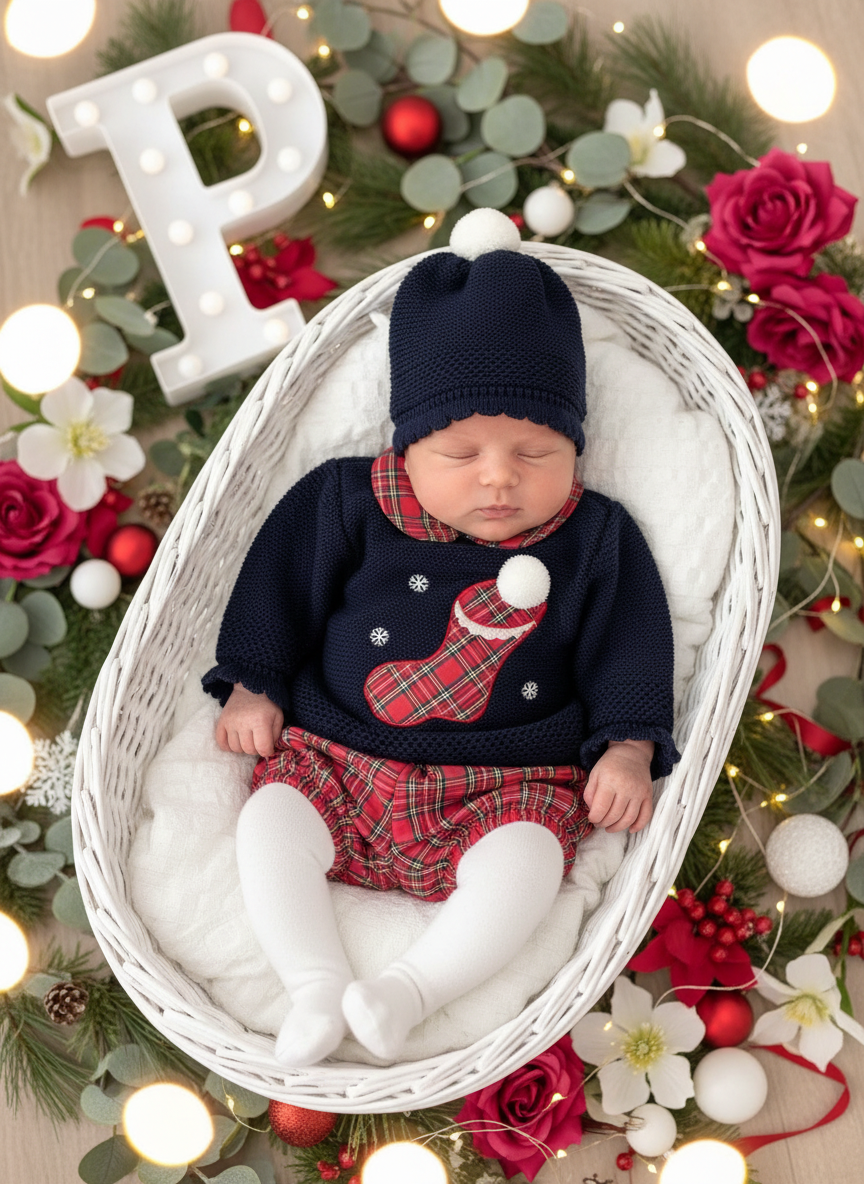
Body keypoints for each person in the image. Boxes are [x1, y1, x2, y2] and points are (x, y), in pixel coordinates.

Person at [202, 208, 680, 1068]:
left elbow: (632, 643)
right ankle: (313, 983)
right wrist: (254, 681)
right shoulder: (350, 500)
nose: (499, 477)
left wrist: (628, 747)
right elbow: (279, 580)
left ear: (577, 446)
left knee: (531, 865)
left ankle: (407, 992)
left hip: (506, 784)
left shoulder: (595, 539)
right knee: (268, 821)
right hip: (337, 758)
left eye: (534, 451)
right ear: (409, 444)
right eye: (461, 452)